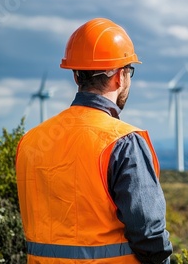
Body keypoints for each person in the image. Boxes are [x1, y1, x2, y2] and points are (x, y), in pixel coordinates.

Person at [16, 18, 173, 263]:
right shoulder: (123, 142)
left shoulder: (30, 141)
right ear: (120, 76)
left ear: (76, 77)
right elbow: (149, 236)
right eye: (129, 71)